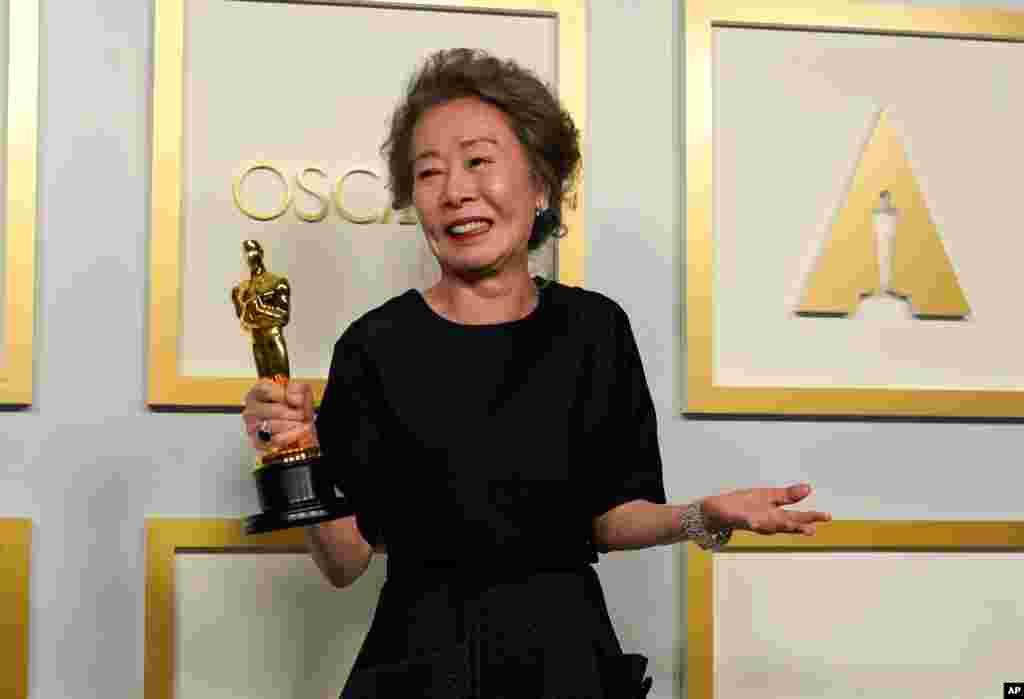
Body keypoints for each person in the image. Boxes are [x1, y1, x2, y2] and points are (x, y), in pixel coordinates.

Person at [242, 48, 831, 698]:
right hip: (416, 667)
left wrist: (701, 516)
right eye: (429, 172)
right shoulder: (374, 346)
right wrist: (299, 450)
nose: (455, 191)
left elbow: (609, 517)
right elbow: (345, 560)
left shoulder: (594, 329)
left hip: (565, 661)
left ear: (541, 184)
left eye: (478, 162)